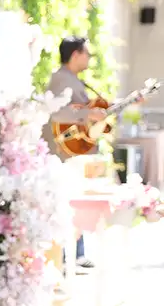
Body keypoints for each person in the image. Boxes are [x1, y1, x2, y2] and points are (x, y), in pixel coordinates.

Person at [44, 36, 143, 271]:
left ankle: (76, 253)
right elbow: (56, 113)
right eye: (86, 53)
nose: (89, 58)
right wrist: (86, 115)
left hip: (72, 153)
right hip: (61, 152)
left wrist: (123, 104)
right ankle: (66, 256)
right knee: (67, 200)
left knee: (75, 200)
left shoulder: (73, 80)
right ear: (75, 55)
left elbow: (88, 113)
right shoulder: (61, 79)